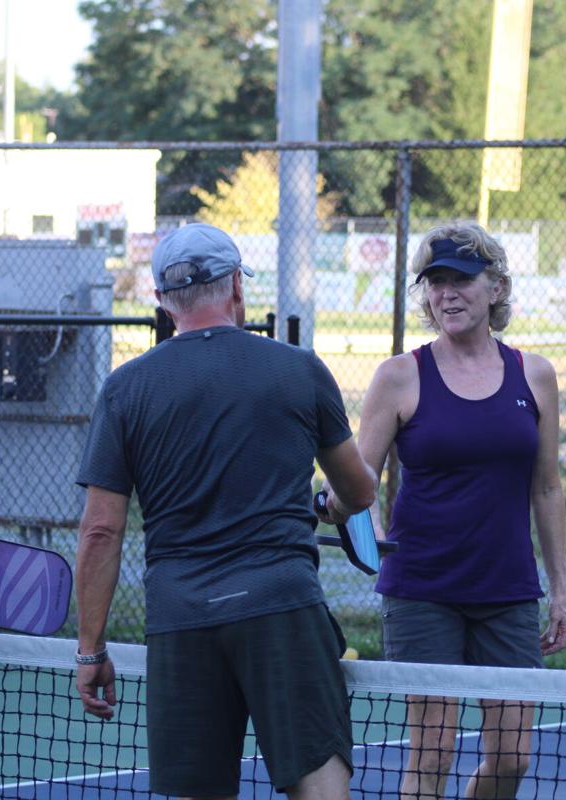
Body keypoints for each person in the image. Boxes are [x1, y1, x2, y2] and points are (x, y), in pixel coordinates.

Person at [72, 223, 376, 800]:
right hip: (282, 605)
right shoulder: (300, 369)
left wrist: (91, 649)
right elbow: (358, 493)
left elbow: (101, 529)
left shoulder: (124, 389)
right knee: (321, 786)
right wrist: (328, 506)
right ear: (237, 286)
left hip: (181, 616)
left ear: (162, 301)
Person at [322, 222, 566, 800]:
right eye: (434, 282)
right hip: (421, 592)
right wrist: (339, 508)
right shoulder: (399, 376)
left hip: (508, 592)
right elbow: (357, 483)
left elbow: (548, 488)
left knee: (512, 759)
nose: (446, 294)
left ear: (497, 288)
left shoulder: (535, 375)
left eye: (460, 279)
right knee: (432, 754)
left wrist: (558, 590)